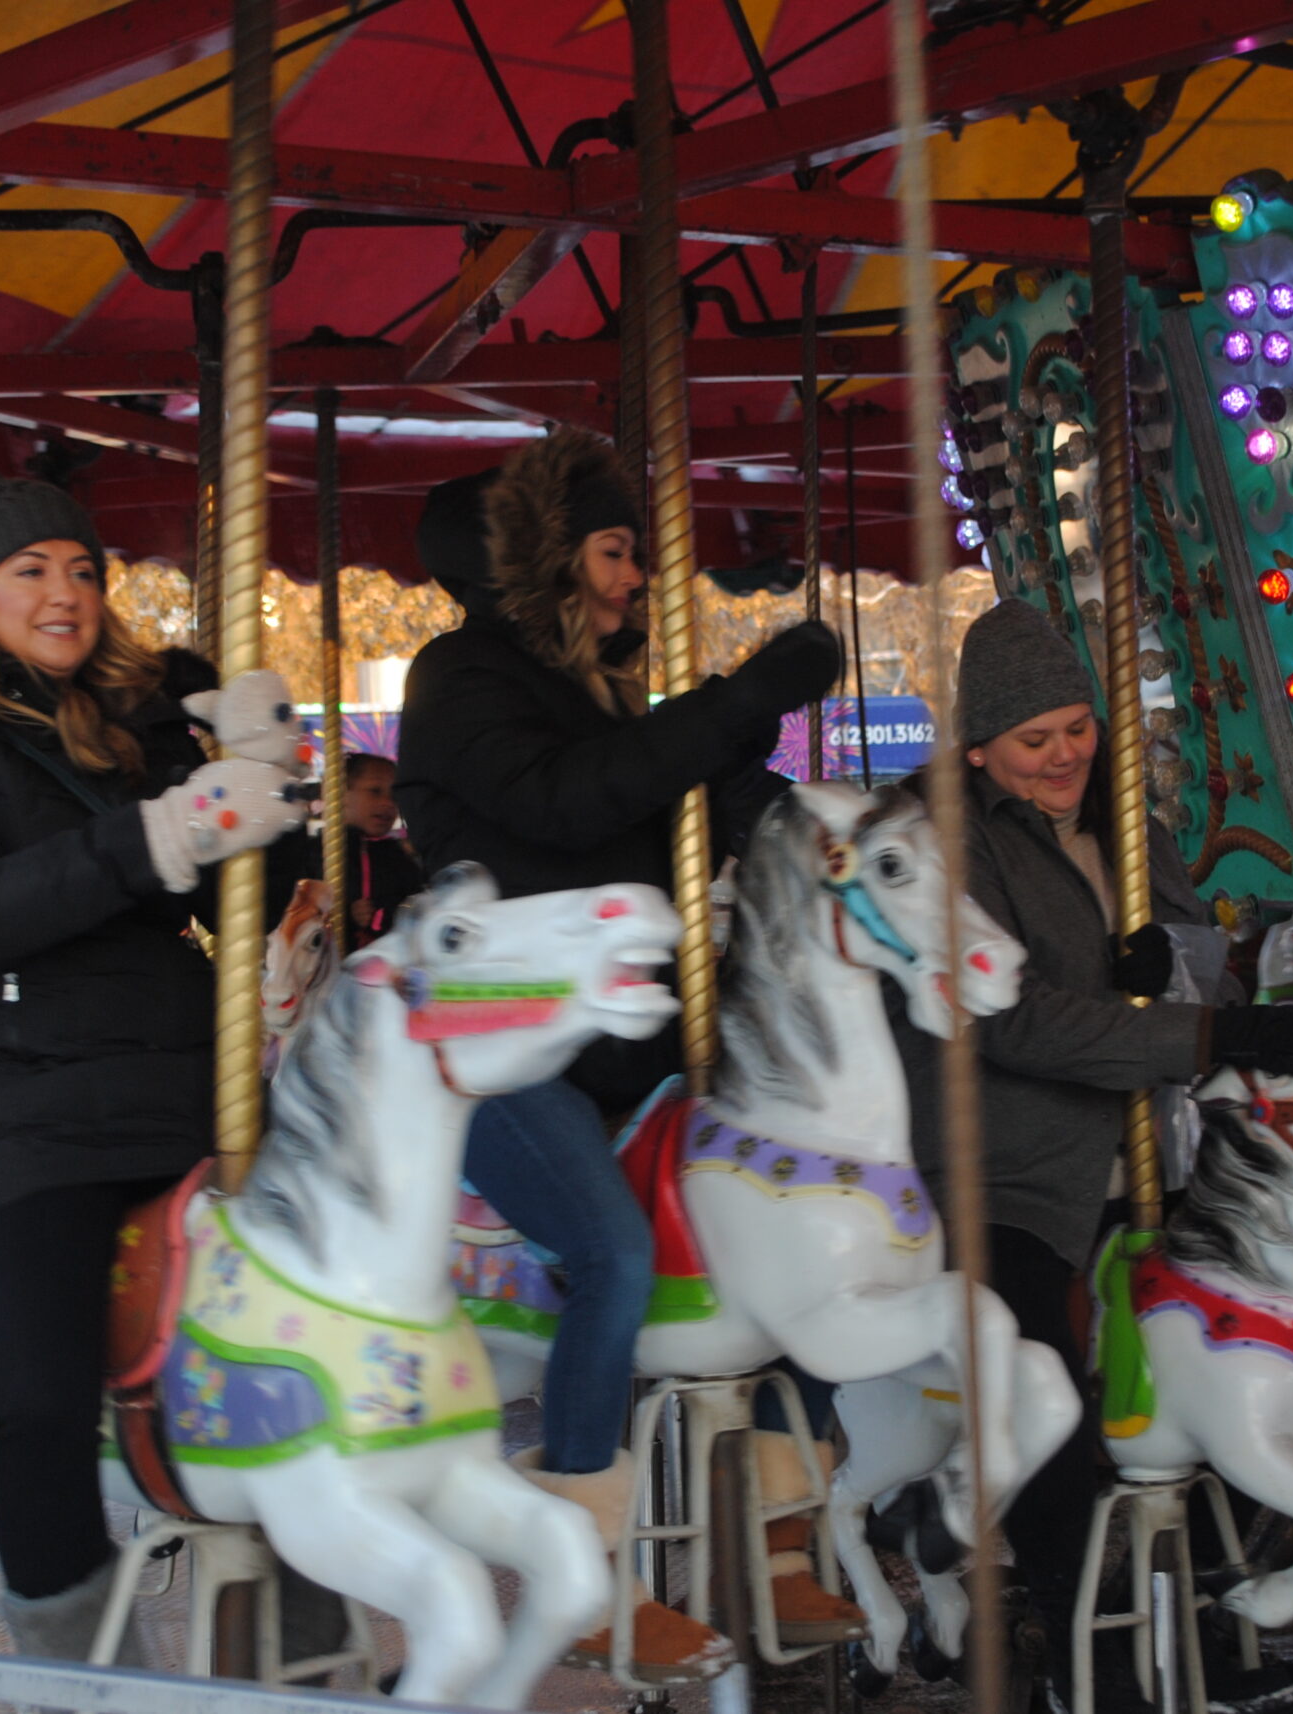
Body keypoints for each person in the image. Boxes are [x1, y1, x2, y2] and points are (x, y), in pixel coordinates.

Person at [396, 426, 849, 1674]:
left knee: (779, 1207)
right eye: (614, 550)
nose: (639, 574)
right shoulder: (460, 679)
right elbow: (568, 802)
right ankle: (584, 1578)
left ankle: (780, 1543)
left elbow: (668, 809)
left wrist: (830, 832)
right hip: (492, 1033)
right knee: (610, 1249)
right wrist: (738, 701)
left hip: (617, 1032)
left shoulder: (603, 693)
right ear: (543, 568)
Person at [0, 458, 299, 1662]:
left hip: (174, 1080)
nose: (67, 594)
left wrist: (266, 771)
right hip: (4, 1101)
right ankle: (76, 1663)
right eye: (32, 570)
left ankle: (307, 1604)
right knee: (44, 1392)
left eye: (85, 569)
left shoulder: (139, 711)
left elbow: (256, 891)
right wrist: (165, 829)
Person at [886, 599, 1293, 1709]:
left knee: (1221, 1363)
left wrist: (1187, 972)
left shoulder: (1122, 815)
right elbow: (1014, 1017)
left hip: (1134, 1153)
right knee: (1044, 1381)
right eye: (1033, 742)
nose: (1063, 757)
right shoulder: (945, 833)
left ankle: (1220, 1630)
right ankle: (1087, 1653)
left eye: (1076, 728)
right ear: (979, 747)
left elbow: (1189, 947)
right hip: (994, 1164)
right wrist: (1201, 1033)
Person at [264, 750, 429, 941]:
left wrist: (384, 916)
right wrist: (346, 917)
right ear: (340, 794)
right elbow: (299, 913)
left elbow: (414, 907)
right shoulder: (317, 853)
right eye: (375, 791)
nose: (387, 803)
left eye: (394, 796)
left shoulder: (398, 858)